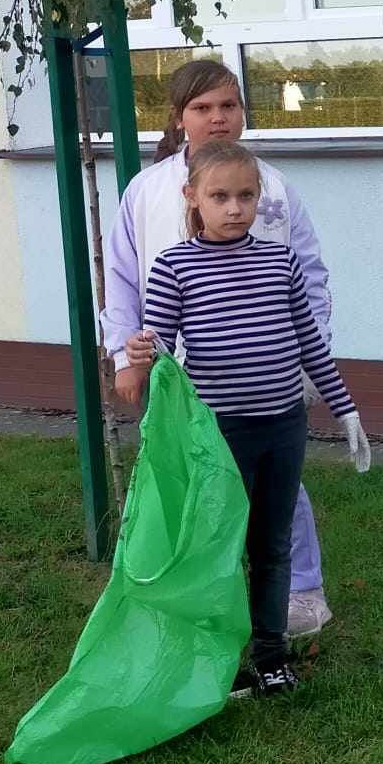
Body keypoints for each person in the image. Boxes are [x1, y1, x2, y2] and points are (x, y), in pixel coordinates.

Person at [121, 141, 370, 696]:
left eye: (246, 196)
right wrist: (139, 352)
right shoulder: (174, 266)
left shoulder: (280, 262)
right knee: (218, 548)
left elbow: (310, 343)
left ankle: (271, 655)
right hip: (220, 433)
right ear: (192, 197)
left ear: (259, 197)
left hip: (282, 427)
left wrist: (345, 407)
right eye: (220, 196)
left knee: (272, 545)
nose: (235, 208)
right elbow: (160, 346)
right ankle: (217, 658)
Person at [103, 59, 338, 638]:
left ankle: (301, 589)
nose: (217, 118)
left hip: (266, 379)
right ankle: (199, 594)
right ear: (179, 117)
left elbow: (309, 276)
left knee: (278, 486)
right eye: (202, 108)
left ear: (242, 112)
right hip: (181, 376)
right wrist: (125, 359)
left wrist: (309, 361)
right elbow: (123, 278)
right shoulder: (148, 191)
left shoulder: (273, 187)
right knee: (194, 485)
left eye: (228, 105)